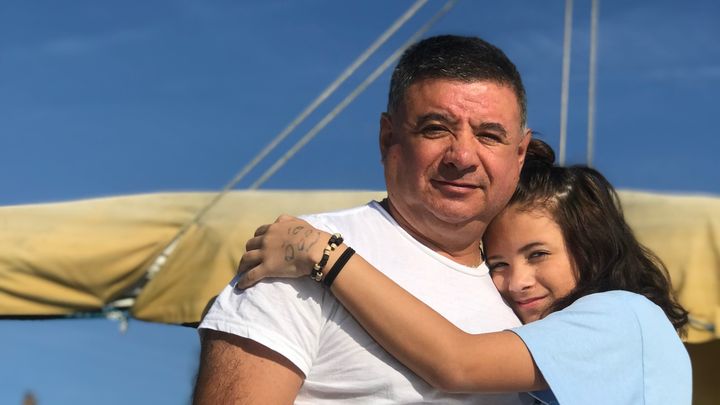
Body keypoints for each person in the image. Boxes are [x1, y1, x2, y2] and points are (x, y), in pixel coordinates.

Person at [194, 34, 533, 404]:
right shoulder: (292, 258)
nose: (462, 156)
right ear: (388, 139)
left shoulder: (531, 296)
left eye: (488, 135)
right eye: (435, 129)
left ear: (519, 155)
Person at [235, 142, 692, 404]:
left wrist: (324, 253)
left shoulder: (624, 316)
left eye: (538, 254)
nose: (516, 281)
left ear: (592, 249)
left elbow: (457, 363)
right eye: (498, 264)